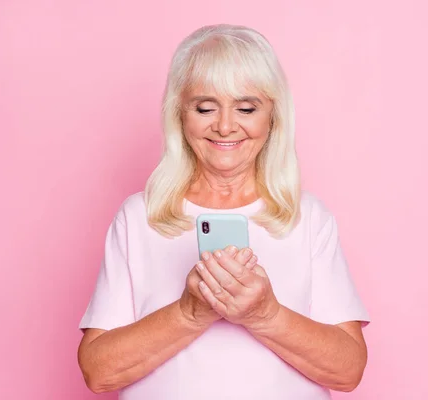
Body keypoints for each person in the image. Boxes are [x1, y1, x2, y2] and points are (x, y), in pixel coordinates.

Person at [77, 24, 370, 400]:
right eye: (205, 107)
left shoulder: (308, 218)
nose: (226, 126)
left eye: (246, 108)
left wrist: (264, 314)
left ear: (272, 117)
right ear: (179, 115)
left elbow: (348, 371)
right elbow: (98, 371)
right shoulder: (139, 217)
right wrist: (189, 312)